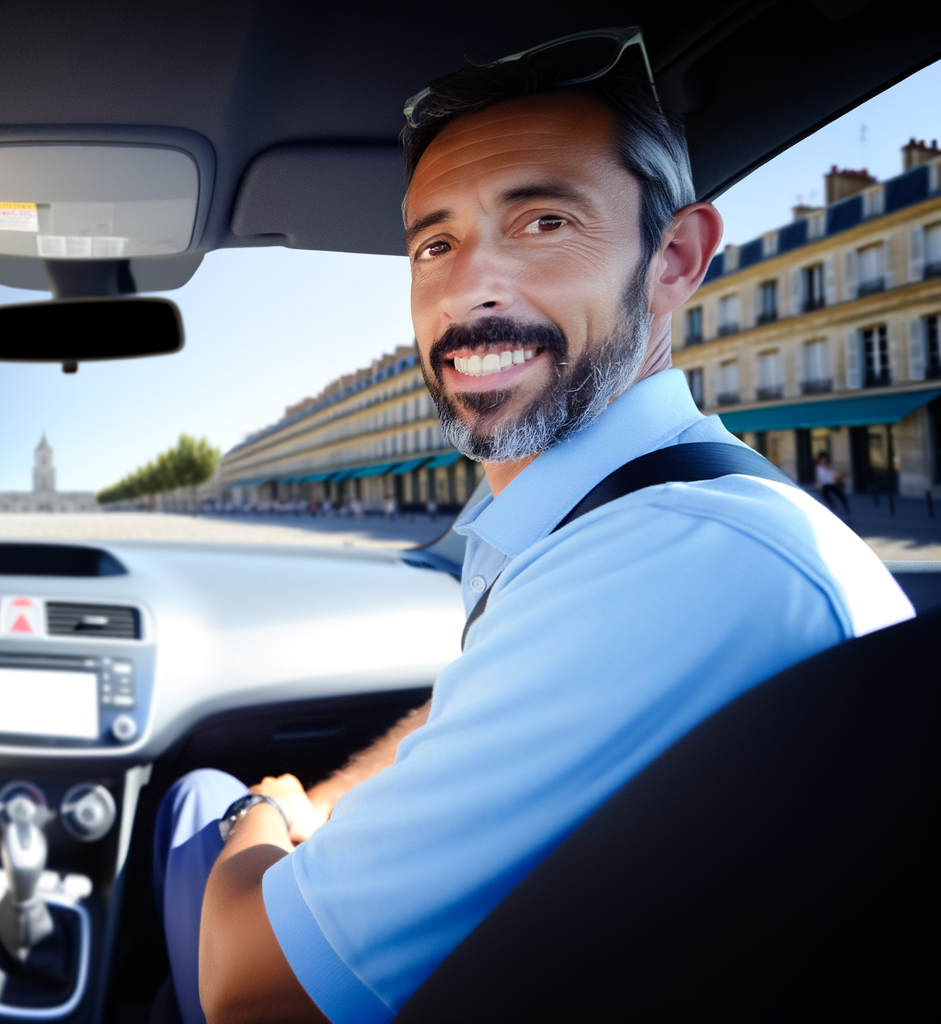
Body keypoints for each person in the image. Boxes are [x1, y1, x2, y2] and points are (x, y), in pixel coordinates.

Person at [150, 28, 914, 1024]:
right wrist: (325, 803)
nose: (470, 286)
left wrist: (264, 813)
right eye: (435, 244)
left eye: (543, 222)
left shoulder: (666, 568)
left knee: (195, 806)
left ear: (675, 258)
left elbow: (249, 988)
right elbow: (467, 709)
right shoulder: (642, 522)